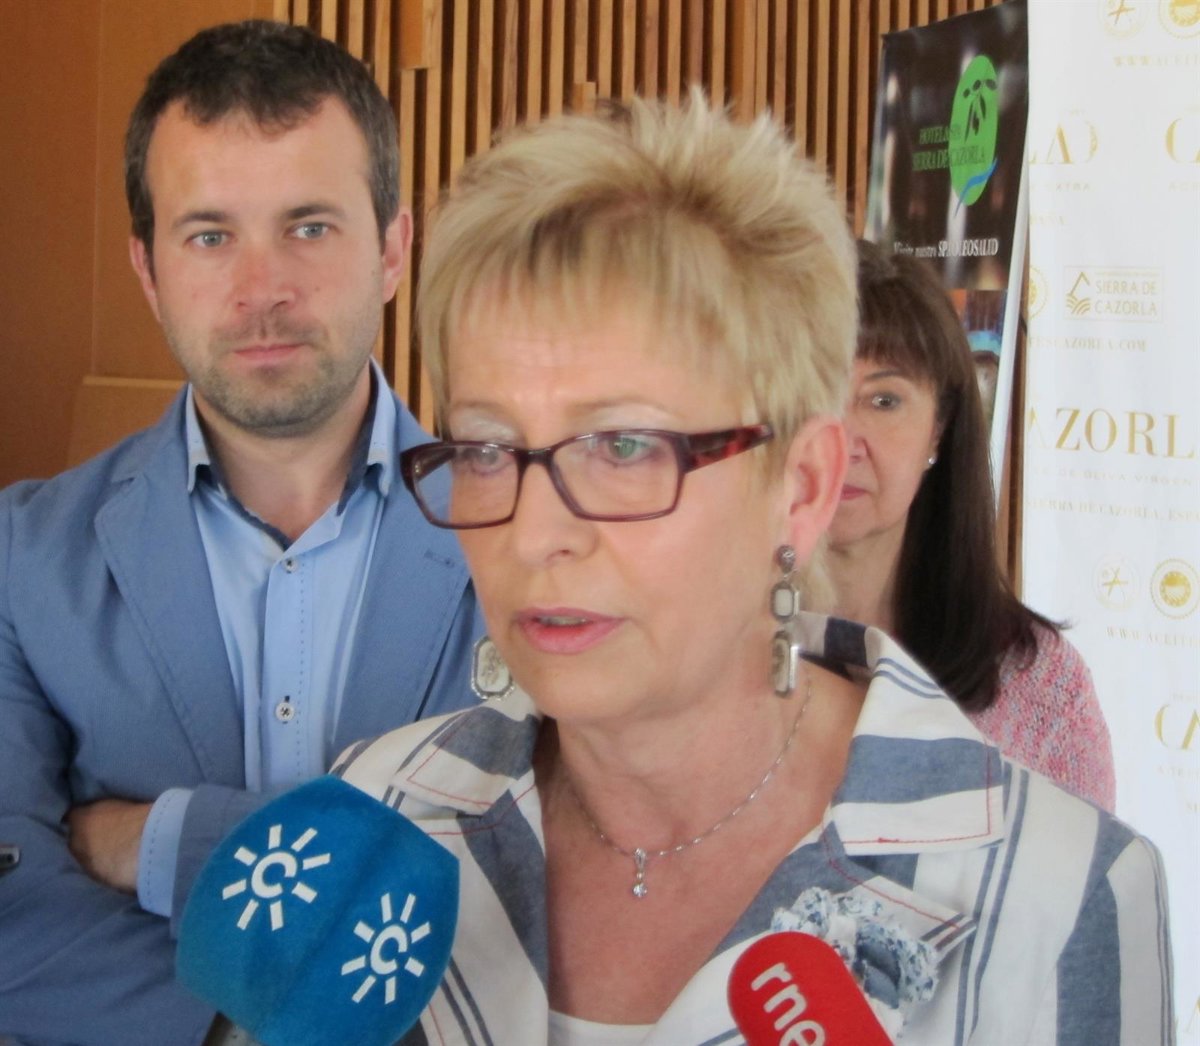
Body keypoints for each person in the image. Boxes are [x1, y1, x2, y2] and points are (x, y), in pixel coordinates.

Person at [328, 95, 1172, 1042]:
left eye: (623, 446)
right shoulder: (375, 817)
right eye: (488, 449)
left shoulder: (1053, 898)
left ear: (801, 488)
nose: (533, 535)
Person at [0, 21, 482, 1045]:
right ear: (148, 271)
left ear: (393, 249)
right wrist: (237, 1032)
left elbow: (568, 887)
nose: (263, 289)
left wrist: (160, 839)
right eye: (210, 236)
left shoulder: (524, 532)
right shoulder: (17, 559)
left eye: (309, 226)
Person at [826, 240, 1116, 810]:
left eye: (883, 401)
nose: (843, 440)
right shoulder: (701, 650)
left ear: (940, 428)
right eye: (819, 394)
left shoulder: (1039, 689)